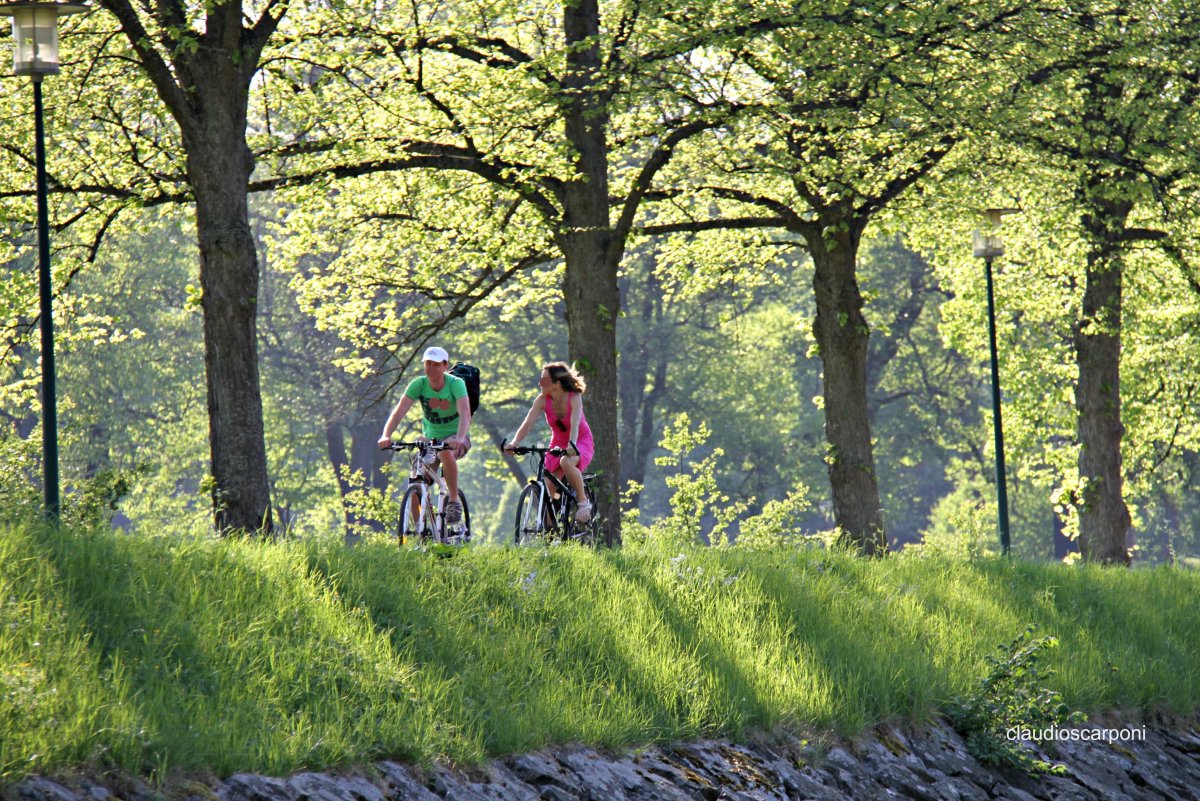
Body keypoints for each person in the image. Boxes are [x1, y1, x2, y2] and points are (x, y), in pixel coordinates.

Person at [378, 346, 472, 525]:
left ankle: (453, 501)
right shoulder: (419, 384)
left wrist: (459, 438)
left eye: (435, 364)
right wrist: (386, 435)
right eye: (427, 363)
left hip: (456, 437)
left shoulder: (455, 384)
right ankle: (423, 535)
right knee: (415, 481)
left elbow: (465, 414)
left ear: (445, 365)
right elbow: (399, 412)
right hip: (430, 440)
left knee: (445, 452)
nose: (430, 368)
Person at [504, 362, 595, 522]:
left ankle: (583, 501)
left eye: (544, 381)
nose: (540, 384)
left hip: (580, 441)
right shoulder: (542, 400)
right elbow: (528, 423)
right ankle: (549, 534)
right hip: (558, 442)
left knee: (566, 462)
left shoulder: (574, 397)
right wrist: (515, 442)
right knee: (547, 490)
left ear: (557, 383)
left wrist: (572, 445)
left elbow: (575, 423)